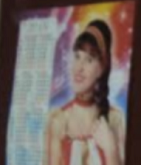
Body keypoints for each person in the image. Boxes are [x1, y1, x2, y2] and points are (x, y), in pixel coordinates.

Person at [45, 20, 126, 165]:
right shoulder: (58, 121)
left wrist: (111, 149)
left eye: (89, 60)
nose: (79, 68)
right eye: (77, 57)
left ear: (101, 69)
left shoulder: (115, 120)